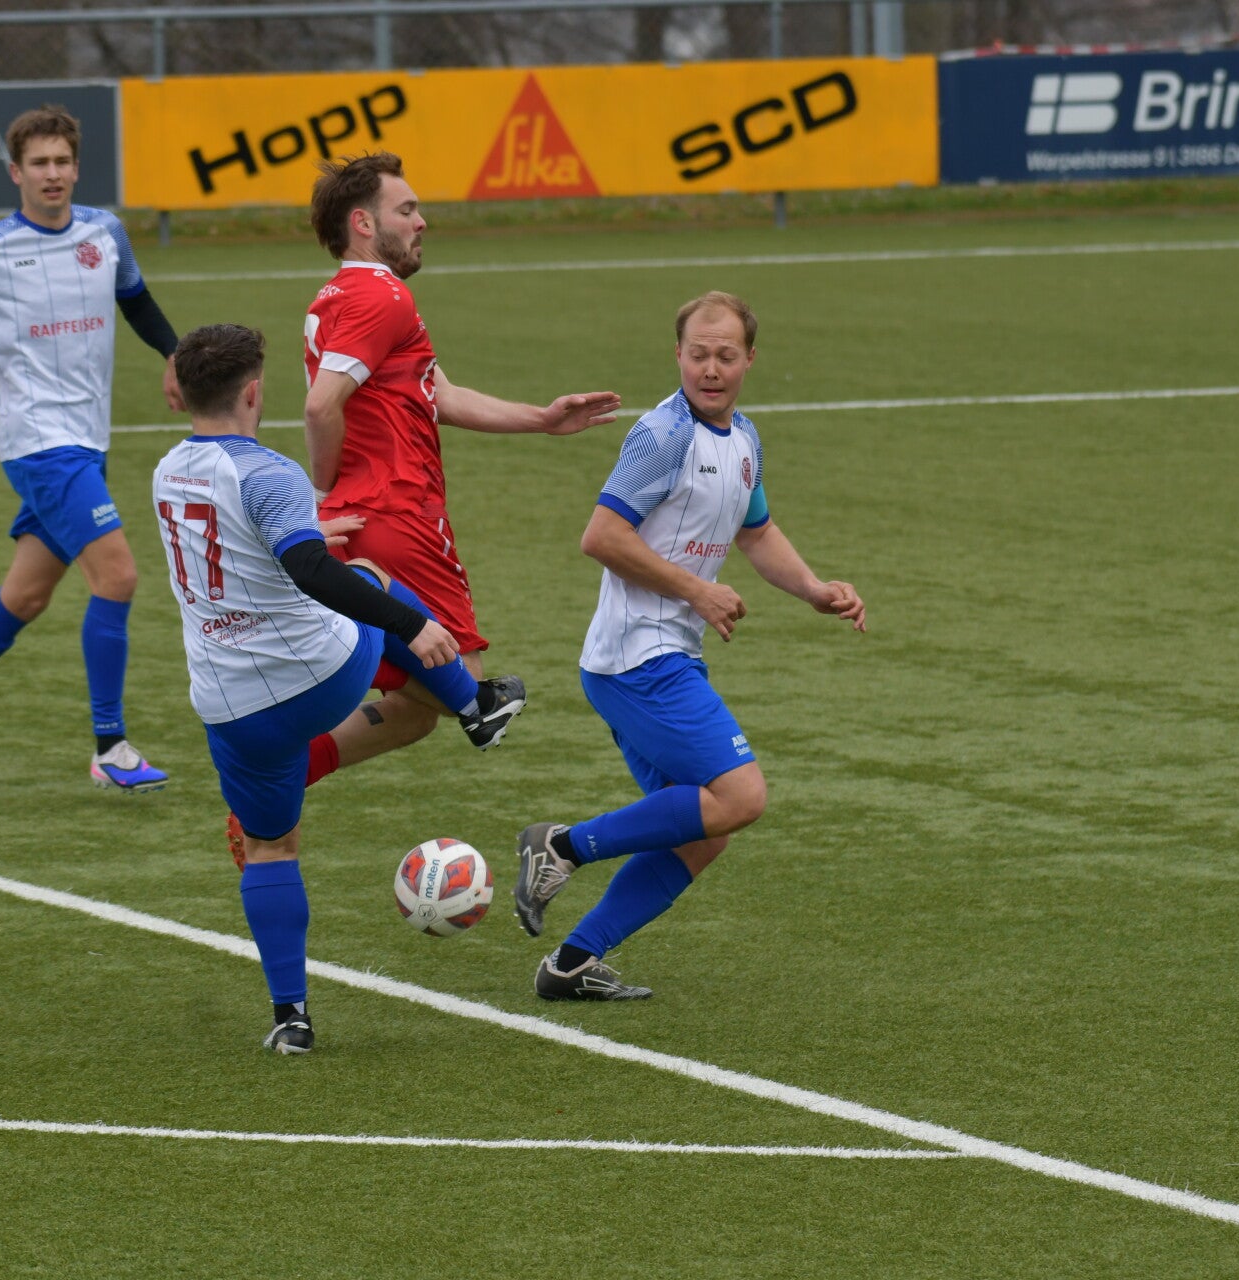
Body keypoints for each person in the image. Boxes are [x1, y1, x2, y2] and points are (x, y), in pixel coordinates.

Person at [511, 291, 866, 1001]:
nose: (710, 369)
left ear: (749, 360)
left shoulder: (745, 439)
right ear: (677, 355)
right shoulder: (663, 435)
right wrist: (696, 591)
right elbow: (601, 537)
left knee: (704, 832)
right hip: (637, 657)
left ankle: (572, 963)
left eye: (725, 356)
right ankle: (562, 846)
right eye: (698, 354)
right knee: (741, 795)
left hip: (662, 656)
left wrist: (813, 589)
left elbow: (757, 533)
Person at [154, 323, 497, 1054]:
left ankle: (292, 1019)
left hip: (230, 705)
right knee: (368, 573)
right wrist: (412, 623)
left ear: (182, 392)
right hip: (319, 676)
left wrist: (306, 527)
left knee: (271, 847)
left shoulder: (168, 470)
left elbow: (243, 542)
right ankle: (477, 703)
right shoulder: (269, 472)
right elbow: (312, 572)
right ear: (254, 392)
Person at [276, 152, 622, 822]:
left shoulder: (338, 296)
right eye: (406, 210)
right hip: (398, 513)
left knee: (411, 714)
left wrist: (541, 419)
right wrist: (323, 491)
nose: (421, 221)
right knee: (466, 688)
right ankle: (340, 674)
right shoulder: (384, 296)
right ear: (363, 224)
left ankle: (285, 776)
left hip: (369, 514)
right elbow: (321, 407)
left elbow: (437, 393)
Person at [0, 103, 181, 793]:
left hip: (88, 439)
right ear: (15, 172)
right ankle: (110, 747)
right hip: (39, 444)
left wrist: (172, 355)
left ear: (76, 168)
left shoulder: (105, 232)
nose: (53, 174)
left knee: (26, 596)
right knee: (118, 577)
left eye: (62, 162)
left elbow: (136, 300)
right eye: (39, 163)